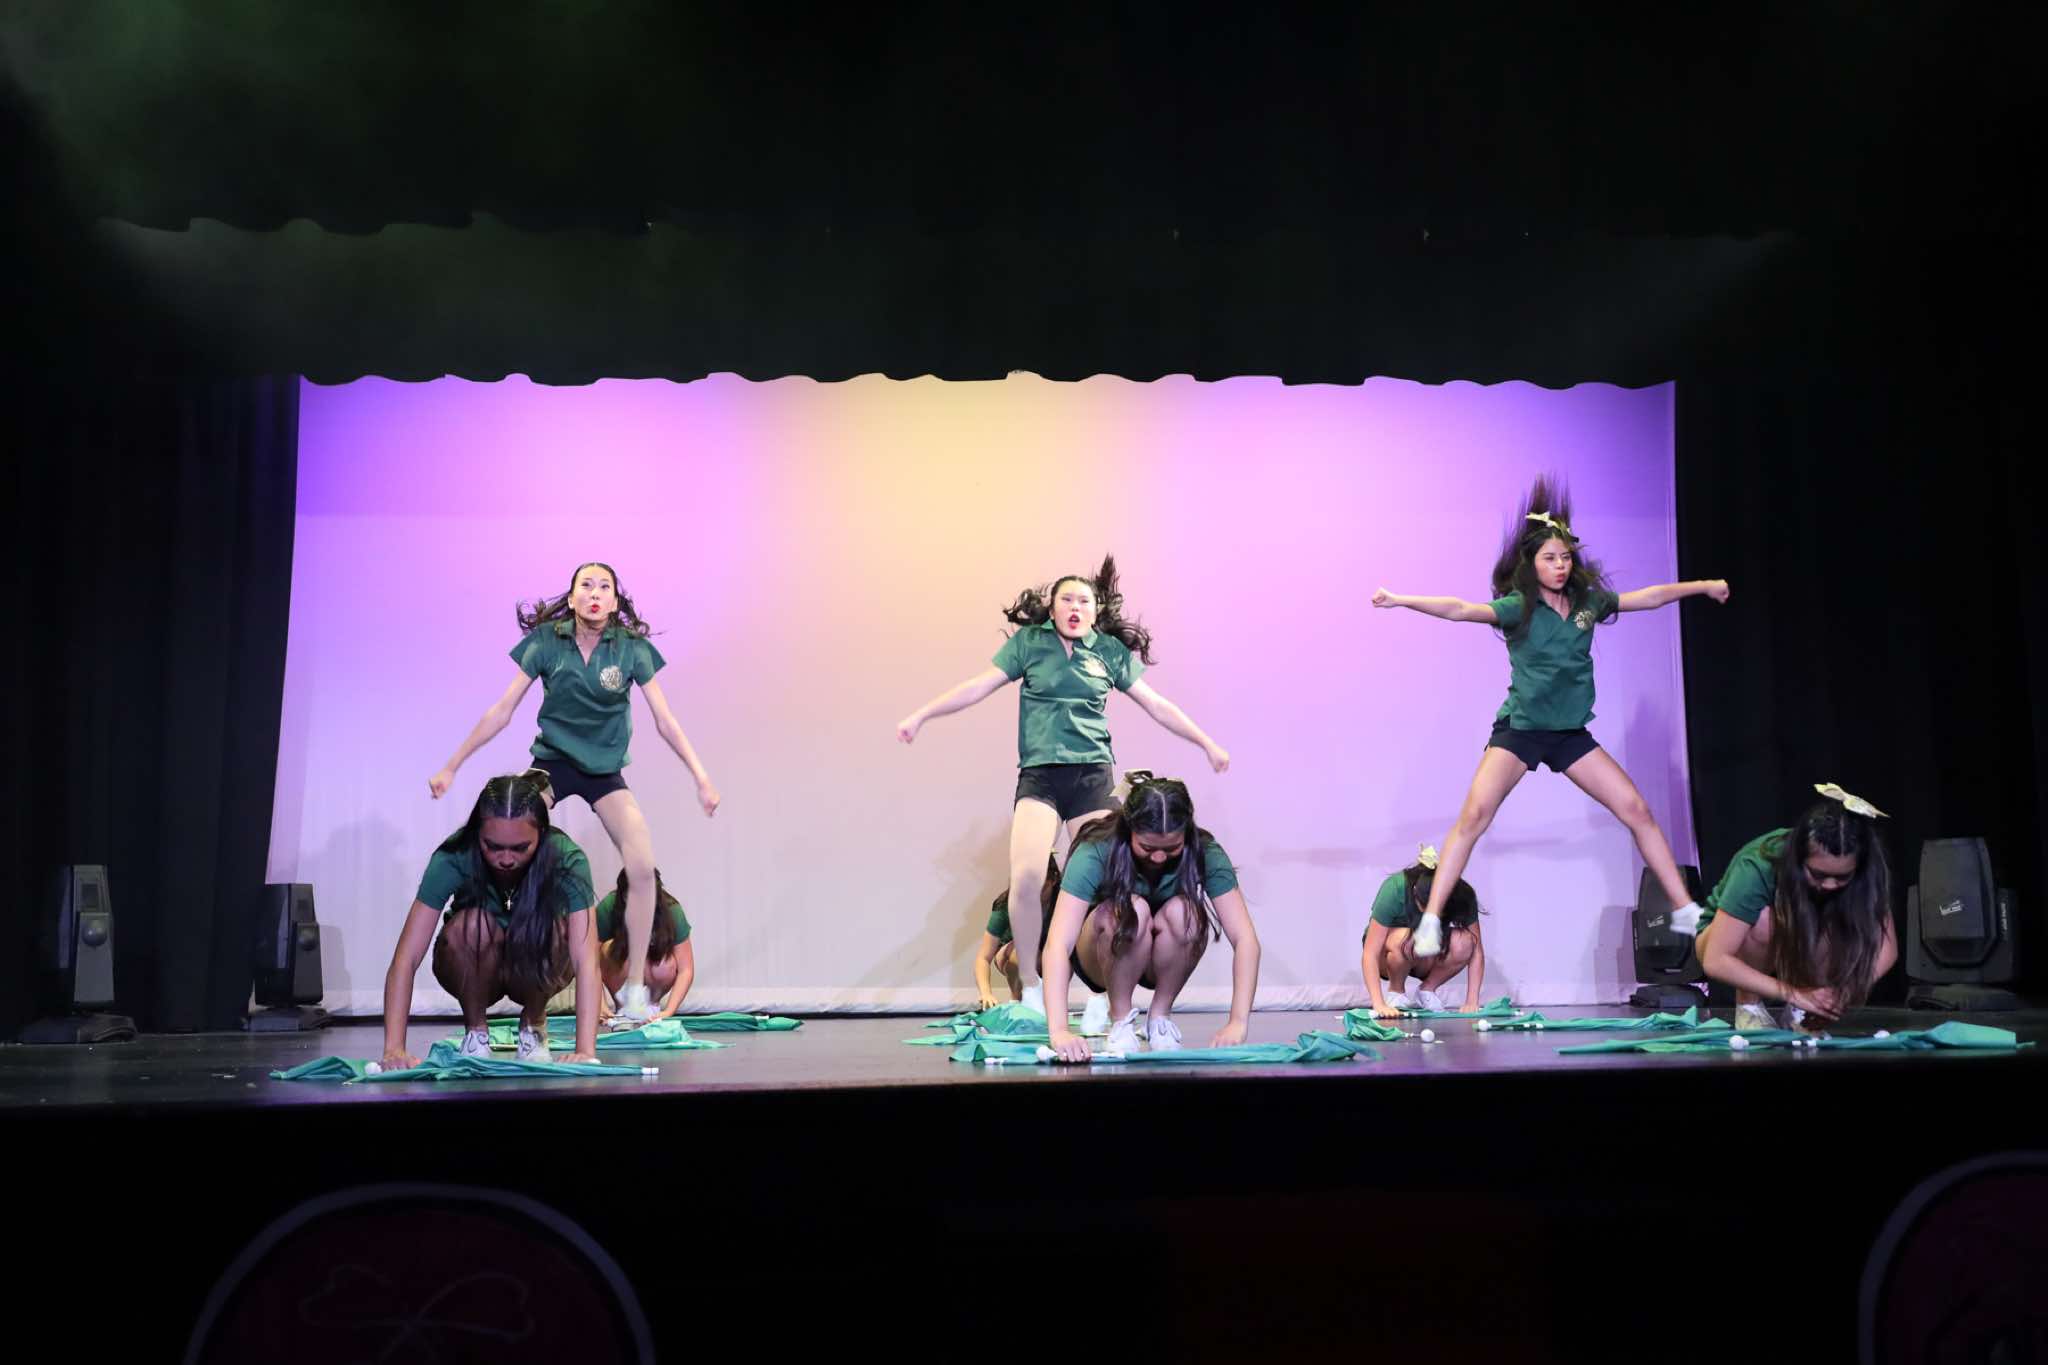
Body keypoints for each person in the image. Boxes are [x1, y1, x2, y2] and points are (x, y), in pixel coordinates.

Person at [1371, 477, 1728, 956]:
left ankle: (1684, 908)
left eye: (1565, 558)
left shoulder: (1588, 603)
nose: (1560, 566)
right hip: (1519, 732)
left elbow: (1648, 597)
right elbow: (1459, 609)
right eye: (1549, 559)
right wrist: (1400, 600)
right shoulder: (1518, 608)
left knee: (1637, 811)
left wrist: (1703, 587)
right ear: (1532, 564)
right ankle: (1432, 918)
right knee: (1474, 817)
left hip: (1569, 735)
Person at [898, 556, 1230, 1028]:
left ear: (1096, 610)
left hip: (1092, 777)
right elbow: (977, 687)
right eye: (1066, 600)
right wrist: (921, 716)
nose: (1075, 608)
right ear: (1052, 608)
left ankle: (1101, 992)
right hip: (1041, 776)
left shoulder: (1108, 652)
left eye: (1084, 601)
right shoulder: (1029, 644)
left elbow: (1157, 705)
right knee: (1027, 877)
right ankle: (1031, 984)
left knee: (1107, 887)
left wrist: (1206, 743)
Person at [429, 561, 720, 1026]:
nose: (595, 593)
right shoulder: (548, 642)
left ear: (615, 601)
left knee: (641, 864)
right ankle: (490, 937)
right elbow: (502, 711)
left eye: (605, 587)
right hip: (553, 764)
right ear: (571, 598)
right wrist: (452, 764)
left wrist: (701, 776)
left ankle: (634, 991)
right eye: (586, 585)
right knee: (504, 831)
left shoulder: (630, 649)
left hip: (603, 772)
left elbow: (665, 721)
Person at [380, 771, 599, 1068]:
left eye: (520, 848)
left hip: (537, 969)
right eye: (493, 846)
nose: (506, 859)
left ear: (542, 834)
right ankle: (476, 1031)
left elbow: (586, 960)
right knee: (472, 925)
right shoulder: (455, 855)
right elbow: (406, 957)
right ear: (476, 835)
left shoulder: (565, 857)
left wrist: (585, 1050)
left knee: (551, 927)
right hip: (473, 969)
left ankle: (533, 1022)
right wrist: (394, 1049)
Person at [1040, 773, 1260, 1059]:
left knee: (1186, 912)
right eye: (1147, 847)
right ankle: (1121, 1019)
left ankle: (1160, 1018)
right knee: (1133, 909)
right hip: (1103, 955)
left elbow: (1245, 940)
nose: (1158, 857)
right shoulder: (1097, 849)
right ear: (1128, 830)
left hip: (1161, 960)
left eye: (1171, 848)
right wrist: (1059, 1030)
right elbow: (1058, 944)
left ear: (1186, 834)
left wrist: (1238, 1022)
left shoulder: (1205, 852)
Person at [1694, 784, 1898, 1032]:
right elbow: (1715, 960)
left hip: (1805, 937)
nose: (1830, 884)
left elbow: (1887, 950)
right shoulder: (1760, 863)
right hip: (1727, 941)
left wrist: (1841, 993)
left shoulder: (1867, 869)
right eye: (1818, 874)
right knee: (1764, 921)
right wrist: (1795, 994)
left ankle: (1804, 1011)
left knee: (1836, 913)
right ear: (1798, 859)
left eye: (1842, 877)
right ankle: (1750, 1006)